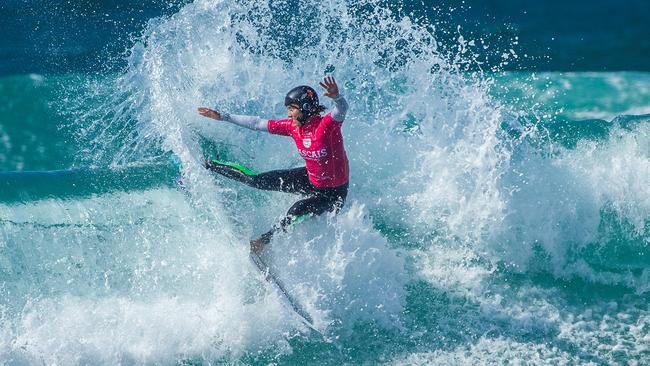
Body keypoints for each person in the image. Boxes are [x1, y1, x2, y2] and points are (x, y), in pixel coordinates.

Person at [197, 76, 349, 253]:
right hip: (310, 179)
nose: (289, 114)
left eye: (292, 109)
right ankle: (209, 164)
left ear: (306, 108)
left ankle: (262, 242)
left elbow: (341, 110)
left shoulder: (326, 126)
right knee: (254, 180)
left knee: (296, 210)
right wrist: (223, 116)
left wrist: (337, 97)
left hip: (332, 194)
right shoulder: (293, 127)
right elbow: (257, 123)